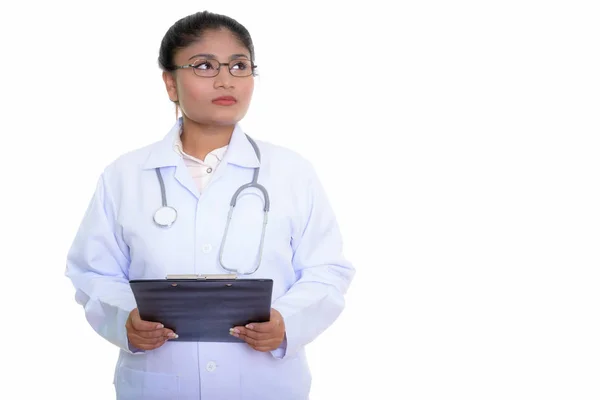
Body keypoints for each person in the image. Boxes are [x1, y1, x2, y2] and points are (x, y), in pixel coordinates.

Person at [65, 10, 355, 400]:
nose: (225, 80)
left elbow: (327, 270)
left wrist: (287, 322)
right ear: (171, 83)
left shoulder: (291, 172)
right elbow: (92, 272)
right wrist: (125, 320)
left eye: (239, 66)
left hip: (265, 384)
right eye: (204, 66)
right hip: (159, 384)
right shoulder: (124, 175)